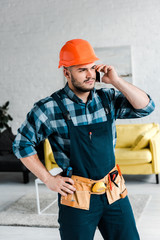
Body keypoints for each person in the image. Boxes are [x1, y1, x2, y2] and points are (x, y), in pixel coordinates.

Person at [13, 39, 155, 240]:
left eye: (91, 68)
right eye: (82, 70)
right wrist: (48, 179)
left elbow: (146, 108)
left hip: (113, 190)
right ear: (66, 73)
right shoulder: (49, 108)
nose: (90, 75)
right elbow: (21, 144)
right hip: (77, 196)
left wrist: (116, 81)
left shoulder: (108, 99)